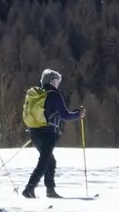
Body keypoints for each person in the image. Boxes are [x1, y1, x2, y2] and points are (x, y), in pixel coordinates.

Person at [22, 68, 83, 199]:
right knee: (44, 161)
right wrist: (79, 114)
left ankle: (49, 190)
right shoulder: (54, 95)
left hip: (34, 131)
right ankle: (29, 188)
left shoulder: (38, 94)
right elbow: (65, 115)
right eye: (58, 81)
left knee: (50, 161)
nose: (58, 84)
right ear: (54, 81)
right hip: (48, 132)